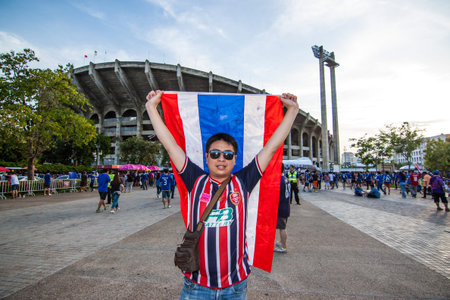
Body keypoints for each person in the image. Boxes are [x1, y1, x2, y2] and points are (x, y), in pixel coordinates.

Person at [146, 89, 298, 298]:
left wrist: (291, 111)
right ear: (207, 157)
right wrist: (152, 108)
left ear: (235, 159)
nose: (221, 159)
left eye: (228, 155)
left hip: (235, 286)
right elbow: (170, 145)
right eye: (215, 154)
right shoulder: (194, 179)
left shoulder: (244, 181)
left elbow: (271, 147)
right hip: (196, 285)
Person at [275, 164, 290, 254]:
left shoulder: (280, 180)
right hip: (286, 205)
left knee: (282, 228)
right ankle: (281, 242)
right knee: (283, 226)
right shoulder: (286, 179)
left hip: (281, 207)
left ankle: (283, 246)